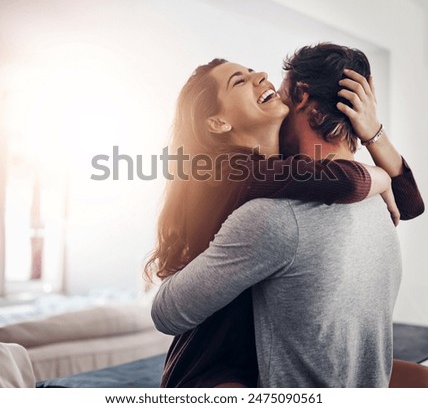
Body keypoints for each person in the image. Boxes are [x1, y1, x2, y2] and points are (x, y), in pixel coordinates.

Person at [147, 45, 424, 387]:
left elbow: (407, 204)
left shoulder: (284, 175)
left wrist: (374, 134)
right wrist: (380, 174)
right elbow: (348, 181)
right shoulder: (230, 171)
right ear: (218, 122)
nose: (260, 76)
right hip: (216, 367)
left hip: (255, 359)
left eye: (252, 71)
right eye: (239, 80)